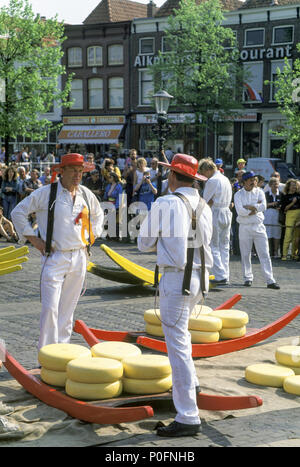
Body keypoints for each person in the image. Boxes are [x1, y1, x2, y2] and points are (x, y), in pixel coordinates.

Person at [138, 153, 212, 437]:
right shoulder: (203, 204)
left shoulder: (166, 202)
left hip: (175, 279)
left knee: (177, 345)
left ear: (171, 177)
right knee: (183, 337)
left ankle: (188, 415)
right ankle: (192, 385)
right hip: (199, 279)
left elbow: (144, 243)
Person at [11, 153, 104, 351]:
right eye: (73, 170)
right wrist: (35, 240)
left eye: (80, 171)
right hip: (55, 256)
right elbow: (17, 212)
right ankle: (46, 355)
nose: (77, 175)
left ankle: (62, 351)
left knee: (68, 309)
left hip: (79, 256)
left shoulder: (86, 194)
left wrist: (91, 237)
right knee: (50, 308)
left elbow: (99, 215)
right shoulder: (46, 193)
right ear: (61, 171)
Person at [234, 171, 280, 289]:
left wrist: (250, 207)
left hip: (258, 225)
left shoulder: (260, 192)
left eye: (254, 179)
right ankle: (247, 278)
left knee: (264, 253)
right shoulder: (238, 195)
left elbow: (263, 206)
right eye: (250, 180)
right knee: (245, 253)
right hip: (244, 226)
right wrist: (255, 208)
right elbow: (240, 211)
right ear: (244, 182)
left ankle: (270, 280)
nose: (253, 182)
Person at [198, 158, 232, 285]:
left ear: (208, 169)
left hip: (216, 212)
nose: (202, 176)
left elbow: (205, 200)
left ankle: (220, 274)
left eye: (202, 172)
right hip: (226, 211)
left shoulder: (212, 181)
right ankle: (225, 273)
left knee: (213, 244)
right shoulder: (225, 178)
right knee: (224, 245)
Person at [280, 178, 300, 261]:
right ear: (288, 186)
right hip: (289, 215)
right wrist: (293, 202)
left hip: (299, 215)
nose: (294, 187)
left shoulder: (299, 195)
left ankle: (294, 254)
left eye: (295, 185)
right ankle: (284, 254)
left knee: (296, 237)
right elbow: (284, 209)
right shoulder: (285, 196)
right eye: (292, 185)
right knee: (288, 235)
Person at [264, 177, 281, 258]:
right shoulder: (266, 194)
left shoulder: (281, 194)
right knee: (268, 234)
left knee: (277, 234)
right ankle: (268, 252)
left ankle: (276, 252)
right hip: (268, 215)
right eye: (274, 184)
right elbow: (263, 205)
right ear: (270, 185)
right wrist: (272, 204)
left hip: (277, 215)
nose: (276, 186)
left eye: (277, 184)